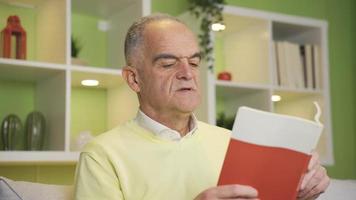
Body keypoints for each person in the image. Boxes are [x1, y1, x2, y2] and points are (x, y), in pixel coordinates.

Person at [74, 14, 330, 200]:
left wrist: (297, 192)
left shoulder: (233, 142)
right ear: (134, 79)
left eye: (194, 63)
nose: (188, 73)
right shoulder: (101, 156)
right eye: (168, 63)